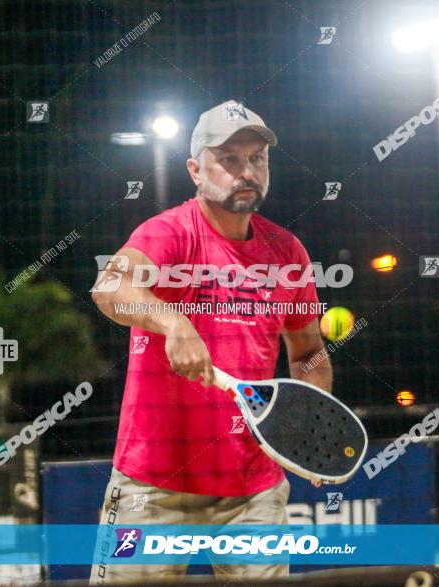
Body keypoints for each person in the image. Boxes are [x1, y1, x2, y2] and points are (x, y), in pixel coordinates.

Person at [89, 100, 332, 584]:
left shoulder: (287, 251)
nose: (246, 171)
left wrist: (309, 421)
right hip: (152, 482)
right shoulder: (167, 233)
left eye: (257, 159)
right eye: (230, 159)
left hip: (251, 487)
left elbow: (309, 354)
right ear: (196, 170)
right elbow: (109, 288)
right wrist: (173, 321)